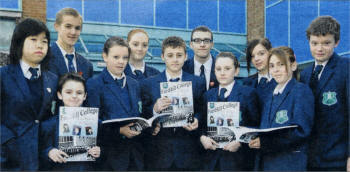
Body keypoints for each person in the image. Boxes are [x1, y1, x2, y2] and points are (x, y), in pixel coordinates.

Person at [140, 36, 206, 170]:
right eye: (170, 55)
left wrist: (197, 120)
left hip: (189, 152)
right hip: (159, 153)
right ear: (163, 57)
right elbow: (142, 114)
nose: (175, 59)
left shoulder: (198, 82)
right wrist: (154, 109)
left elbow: (203, 110)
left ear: (186, 56)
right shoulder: (148, 83)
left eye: (179, 55)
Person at [0, 18, 58, 170]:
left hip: (42, 158)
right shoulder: (3, 76)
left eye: (44, 41)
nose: (40, 45)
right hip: (9, 160)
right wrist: (8, 143)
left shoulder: (52, 79)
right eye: (33, 39)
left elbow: (49, 117)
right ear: (20, 42)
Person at [249, 47, 315, 171]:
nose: (276, 70)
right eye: (272, 66)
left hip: (289, 164)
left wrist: (266, 143)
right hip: (267, 164)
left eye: (281, 64)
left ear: (293, 65)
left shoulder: (300, 91)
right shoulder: (271, 95)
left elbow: (301, 131)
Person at [299, 16, 349, 171]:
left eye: (326, 43)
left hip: (336, 159)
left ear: (336, 42)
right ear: (309, 42)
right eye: (314, 43)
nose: (319, 48)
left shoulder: (346, 69)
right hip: (309, 159)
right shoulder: (305, 74)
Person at [86, 36, 144, 171]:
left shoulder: (134, 84)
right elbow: (91, 122)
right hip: (110, 157)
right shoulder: (94, 84)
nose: (121, 62)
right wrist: (119, 131)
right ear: (105, 56)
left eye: (125, 58)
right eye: (116, 57)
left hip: (135, 156)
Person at [200, 52, 260, 171]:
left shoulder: (248, 94)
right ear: (214, 71)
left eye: (227, 68)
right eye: (218, 69)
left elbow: (256, 126)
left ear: (236, 71)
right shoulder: (207, 95)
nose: (222, 72)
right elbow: (201, 125)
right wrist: (202, 138)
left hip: (238, 161)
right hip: (211, 161)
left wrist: (240, 142)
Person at [39, 73, 101, 171]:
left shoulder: (96, 123)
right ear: (59, 95)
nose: (74, 96)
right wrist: (49, 152)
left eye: (79, 93)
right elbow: (39, 151)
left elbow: (107, 149)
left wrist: (99, 151)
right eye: (68, 92)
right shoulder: (48, 125)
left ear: (85, 96)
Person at [48, 7, 93, 80]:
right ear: (56, 26)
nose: (73, 32)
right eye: (68, 26)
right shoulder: (45, 58)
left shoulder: (87, 65)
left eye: (77, 28)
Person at [243, 38, 277, 109]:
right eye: (253, 56)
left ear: (270, 53)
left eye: (261, 54)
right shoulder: (247, 83)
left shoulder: (279, 81)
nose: (256, 59)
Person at [183, 25, 219, 90]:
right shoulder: (183, 68)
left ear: (212, 45)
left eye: (206, 40)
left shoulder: (221, 67)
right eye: (197, 40)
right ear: (191, 44)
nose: (202, 45)